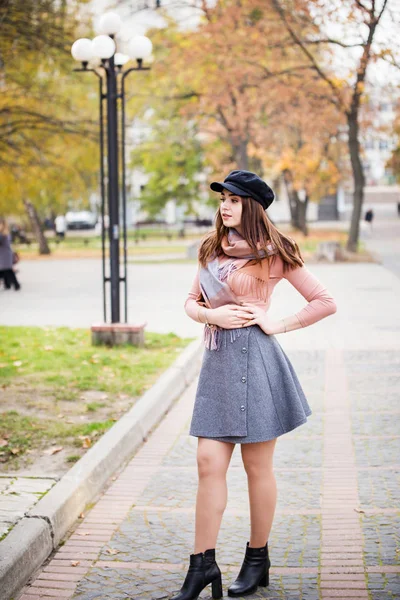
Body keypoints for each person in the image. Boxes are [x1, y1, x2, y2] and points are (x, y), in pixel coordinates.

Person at [172, 170, 337, 600]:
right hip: (219, 365)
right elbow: (191, 303)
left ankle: (257, 557)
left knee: (256, 468)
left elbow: (325, 302)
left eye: (234, 199)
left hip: (258, 362)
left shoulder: (273, 253)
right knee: (208, 462)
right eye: (222, 199)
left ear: (253, 207)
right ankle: (202, 565)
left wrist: (276, 323)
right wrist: (213, 316)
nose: (224, 206)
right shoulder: (212, 249)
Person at [0, 217, 21, 290]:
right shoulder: (5, 233)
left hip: (4, 255)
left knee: (7, 270)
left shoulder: (2, 234)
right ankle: (7, 284)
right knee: (5, 270)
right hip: (5, 254)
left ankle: (16, 285)